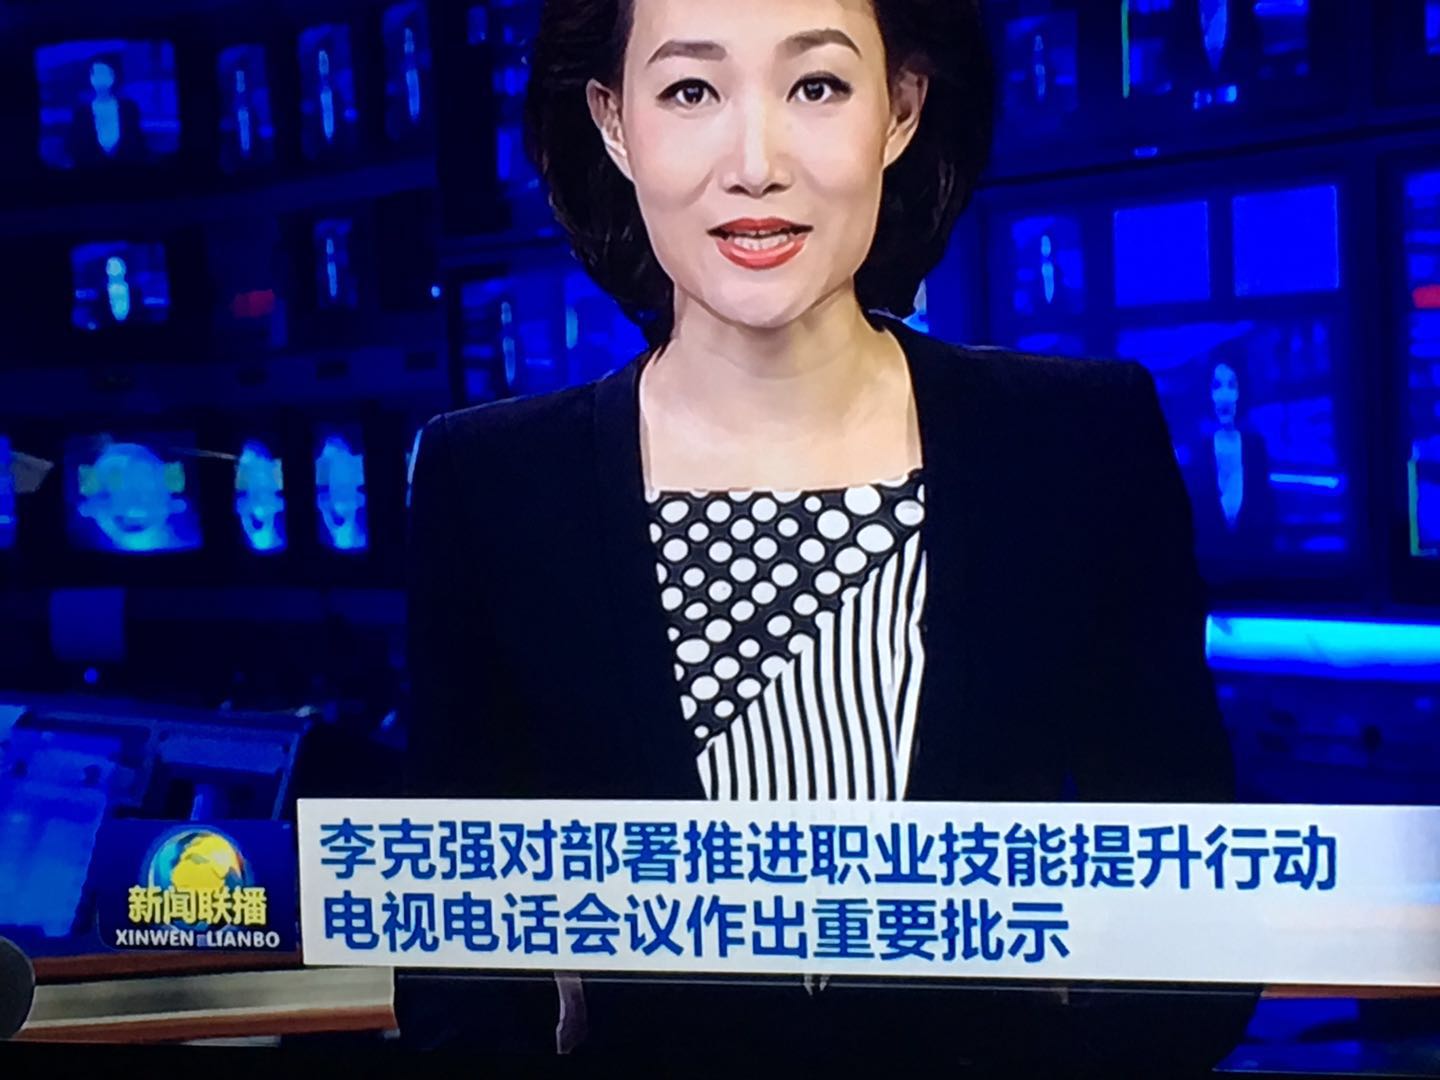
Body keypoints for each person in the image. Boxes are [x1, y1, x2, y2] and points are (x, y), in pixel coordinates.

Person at [403, 0, 1255, 1070]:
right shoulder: (489, 485)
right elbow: (460, 974)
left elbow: (1190, 919)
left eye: (816, 86)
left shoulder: (1079, 443)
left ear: (901, 109)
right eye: (691, 91)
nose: (756, 165)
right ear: (614, 123)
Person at [1188, 357, 1277, 562]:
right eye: (1217, 386)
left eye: (1231, 385)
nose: (1224, 395)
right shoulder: (1199, 450)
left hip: (1256, 562)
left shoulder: (1255, 446)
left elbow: (1265, 506)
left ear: (1241, 391)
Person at [67, 55, 145, 166]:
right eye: (95, 73)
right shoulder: (82, 112)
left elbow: (137, 142)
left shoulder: (129, 108)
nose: (99, 78)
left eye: (103, 73)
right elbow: (76, 145)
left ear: (113, 76)